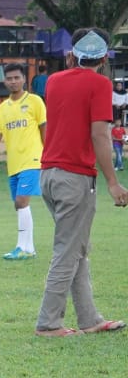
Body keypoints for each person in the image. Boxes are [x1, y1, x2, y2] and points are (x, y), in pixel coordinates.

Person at [33, 27, 128, 337]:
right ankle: (49, 323)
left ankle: (89, 319)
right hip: (75, 177)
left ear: (71, 55)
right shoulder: (99, 84)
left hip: (49, 174)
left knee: (76, 249)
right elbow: (99, 133)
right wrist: (113, 182)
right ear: (103, 58)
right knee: (67, 250)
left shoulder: (54, 81)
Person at [0, 63, 47, 260]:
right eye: (9, 78)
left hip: (33, 159)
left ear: (24, 79)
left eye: (17, 78)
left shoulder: (35, 101)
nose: (13, 82)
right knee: (19, 204)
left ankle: (21, 247)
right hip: (14, 163)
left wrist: (49, 155)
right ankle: (29, 249)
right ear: (4, 81)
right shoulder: (4, 107)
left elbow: (44, 129)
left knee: (22, 201)